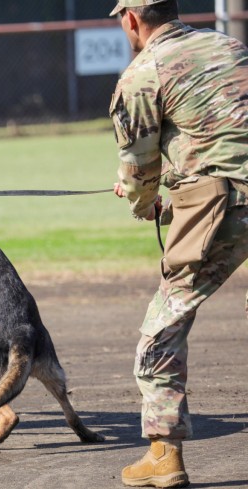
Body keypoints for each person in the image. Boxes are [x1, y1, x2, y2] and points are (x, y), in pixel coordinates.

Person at [109, 0, 248, 487]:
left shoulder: (142, 74)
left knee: (162, 326)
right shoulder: (229, 46)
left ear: (131, 19)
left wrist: (142, 200)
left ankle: (164, 453)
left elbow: (138, 167)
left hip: (222, 207)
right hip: (226, 196)